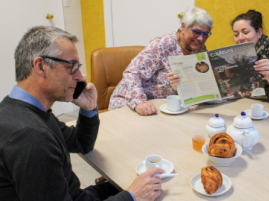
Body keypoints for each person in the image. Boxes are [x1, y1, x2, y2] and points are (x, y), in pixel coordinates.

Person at [0, 26, 163, 201]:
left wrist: (87, 108)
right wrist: (131, 196)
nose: (80, 76)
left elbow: (80, 143)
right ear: (40, 66)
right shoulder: (32, 136)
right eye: (71, 66)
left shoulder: (26, 111)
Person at [169, 10, 269, 115]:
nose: (240, 38)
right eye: (236, 34)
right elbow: (227, 94)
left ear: (259, 32)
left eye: (245, 32)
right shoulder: (240, 59)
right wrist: (185, 86)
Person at [108, 6, 213, 116]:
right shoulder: (163, 44)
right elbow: (131, 73)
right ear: (183, 27)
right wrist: (139, 102)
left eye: (205, 34)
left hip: (165, 105)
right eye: (196, 32)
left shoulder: (200, 49)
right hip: (131, 102)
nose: (201, 38)